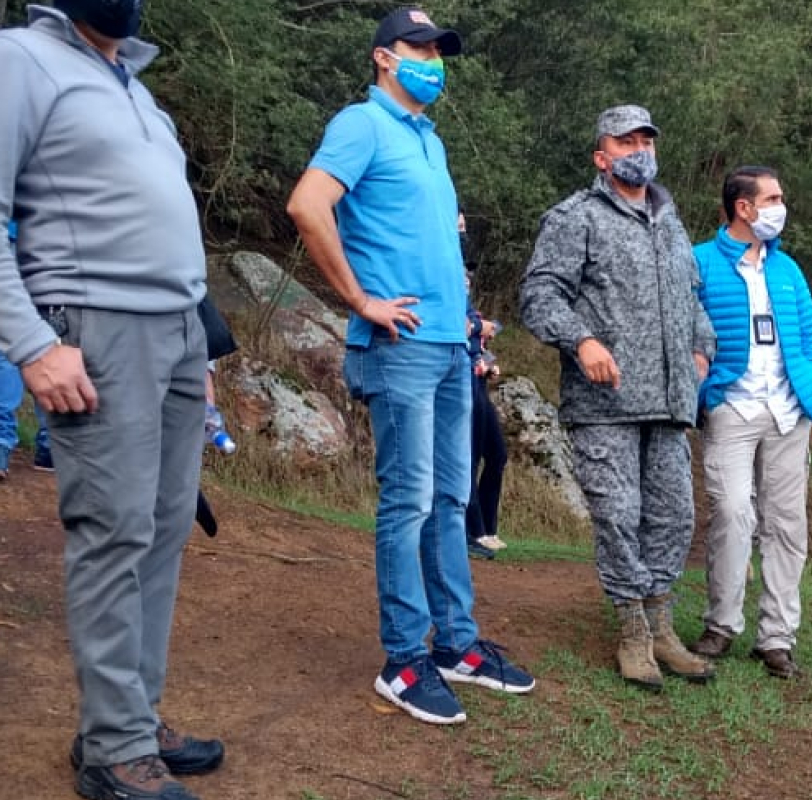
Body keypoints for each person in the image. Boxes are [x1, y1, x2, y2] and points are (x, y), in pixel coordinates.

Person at [0, 3, 226, 798]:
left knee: (160, 532)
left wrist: (202, 341)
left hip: (177, 334)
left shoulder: (133, 86)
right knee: (113, 531)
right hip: (92, 327)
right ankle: (115, 748)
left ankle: (127, 716)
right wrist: (30, 343)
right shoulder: (17, 58)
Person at [287, 5, 535, 727]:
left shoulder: (429, 140)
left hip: (452, 349)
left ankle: (456, 644)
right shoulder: (360, 124)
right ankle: (404, 659)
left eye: (439, 49)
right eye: (417, 46)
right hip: (399, 351)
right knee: (409, 504)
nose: (433, 58)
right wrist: (360, 299)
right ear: (383, 58)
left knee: (452, 501)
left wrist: (468, 321)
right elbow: (308, 206)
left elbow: (433, 246)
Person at [520, 104, 718, 691]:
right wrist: (581, 340)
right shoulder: (574, 217)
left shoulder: (671, 222)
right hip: (604, 402)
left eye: (645, 139)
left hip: (670, 402)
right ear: (600, 156)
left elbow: (692, 299)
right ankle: (632, 627)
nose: (639, 149)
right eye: (625, 140)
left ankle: (661, 626)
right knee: (618, 514)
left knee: (676, 516)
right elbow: (538, 294)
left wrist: (702, 348)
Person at [686, 166, 812, 679]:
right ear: (743, 207)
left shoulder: (788, 269)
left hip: (789, 412)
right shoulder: (699, 262)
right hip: (731, 407)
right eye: (772, 198)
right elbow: (685, 332)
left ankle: (776, 637)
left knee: (787, 525)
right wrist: (703, 395)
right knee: (732, 512)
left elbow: (810, 336)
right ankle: (721, 623)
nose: (780, 206)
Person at [0, 223, 52, 480]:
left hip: (3, 234)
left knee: (8, 341)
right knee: (54, 338)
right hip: (52, 238)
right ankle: (49, 445)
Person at [465, 285, 509, 558]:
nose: (468, 278)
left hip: (478, 380)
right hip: (462, 380)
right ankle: (472, 532)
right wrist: (482, 325)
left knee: (497, 454)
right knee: (468, 457)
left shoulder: (464, 294)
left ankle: (487, 529)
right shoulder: (444, 280)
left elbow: (473, 336)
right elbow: (463, 328)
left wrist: (486, 363)